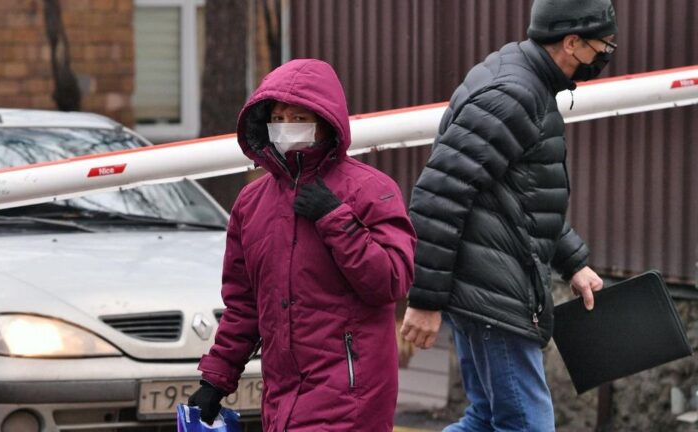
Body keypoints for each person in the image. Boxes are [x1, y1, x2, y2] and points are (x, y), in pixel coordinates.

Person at [401, 0, 616, 430]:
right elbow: (438, 195)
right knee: (526, 425)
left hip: (488, 284)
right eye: (601, 46)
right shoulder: (514, 94)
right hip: (493, 295)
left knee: (485, 419)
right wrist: (424, 301)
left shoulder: (522, 79)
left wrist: (572, 261)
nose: (605, 56)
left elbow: (520, 197)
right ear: (571, 43)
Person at [188, 59, 416, 431]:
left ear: (326, 122)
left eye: (299, 120)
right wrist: (216, 378)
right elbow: (245, 305)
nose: (287, 129)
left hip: (351, 395)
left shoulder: (371, 191)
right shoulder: (251, 203)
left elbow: (391, 280)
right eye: (279, 118)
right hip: (281, 397)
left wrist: (334, 218)